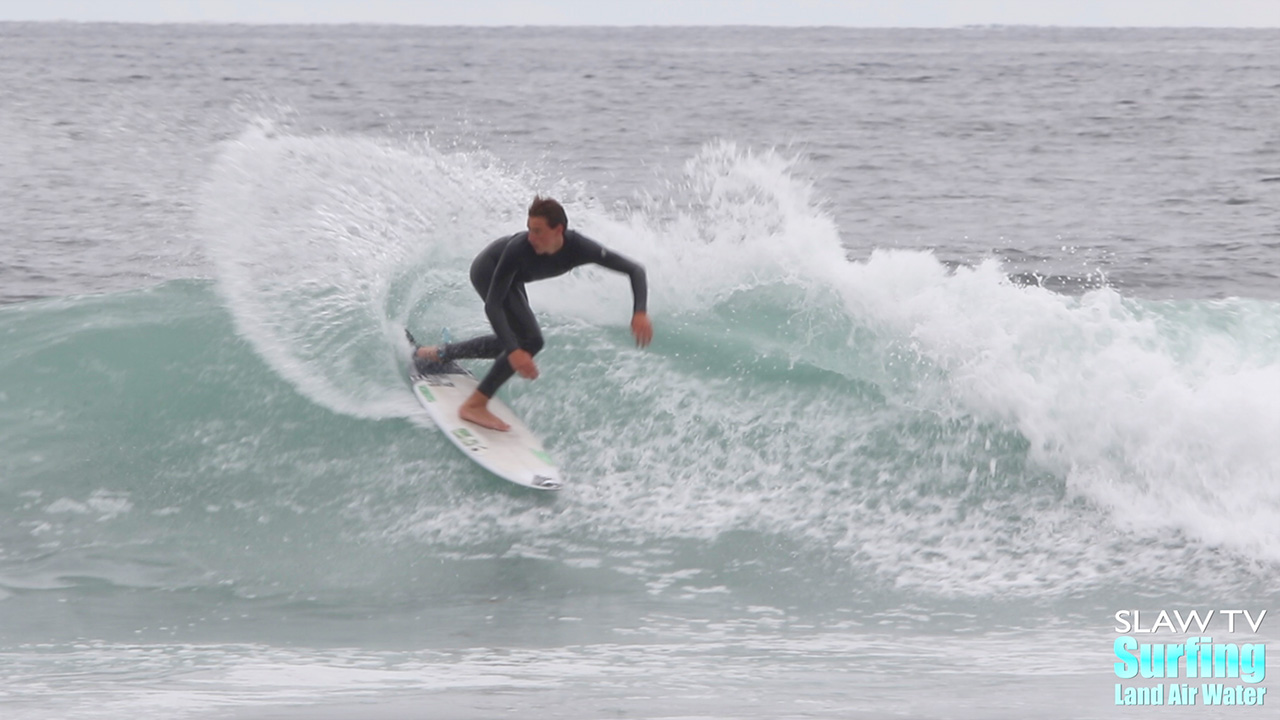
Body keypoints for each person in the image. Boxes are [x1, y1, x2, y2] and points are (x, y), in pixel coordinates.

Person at [416, 196, 652, 432]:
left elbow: (635, 270)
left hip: (514, 280)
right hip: (488, 270)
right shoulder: (519, 249)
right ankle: (474, 406)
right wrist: (516, 352)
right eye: (529, 229)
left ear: (558, 230)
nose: (531, 237)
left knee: (516, 341)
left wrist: (639, 312)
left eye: (538, 231)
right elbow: (493, 305)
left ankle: (440, 354)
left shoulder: (579, 248)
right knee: (528, 341)